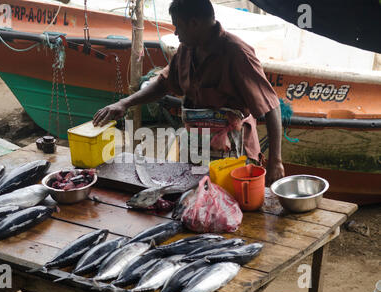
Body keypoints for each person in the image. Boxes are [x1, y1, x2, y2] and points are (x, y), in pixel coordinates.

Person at [93, 0, 284, 186]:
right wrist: (124, 103)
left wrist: (276, 160)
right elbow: (163, 85)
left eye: (177, 26)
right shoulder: (186, 50)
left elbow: (271, 107)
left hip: (234, 154)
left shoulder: (237, 53)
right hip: (197, 150)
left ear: (194, 24)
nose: (175, 32)